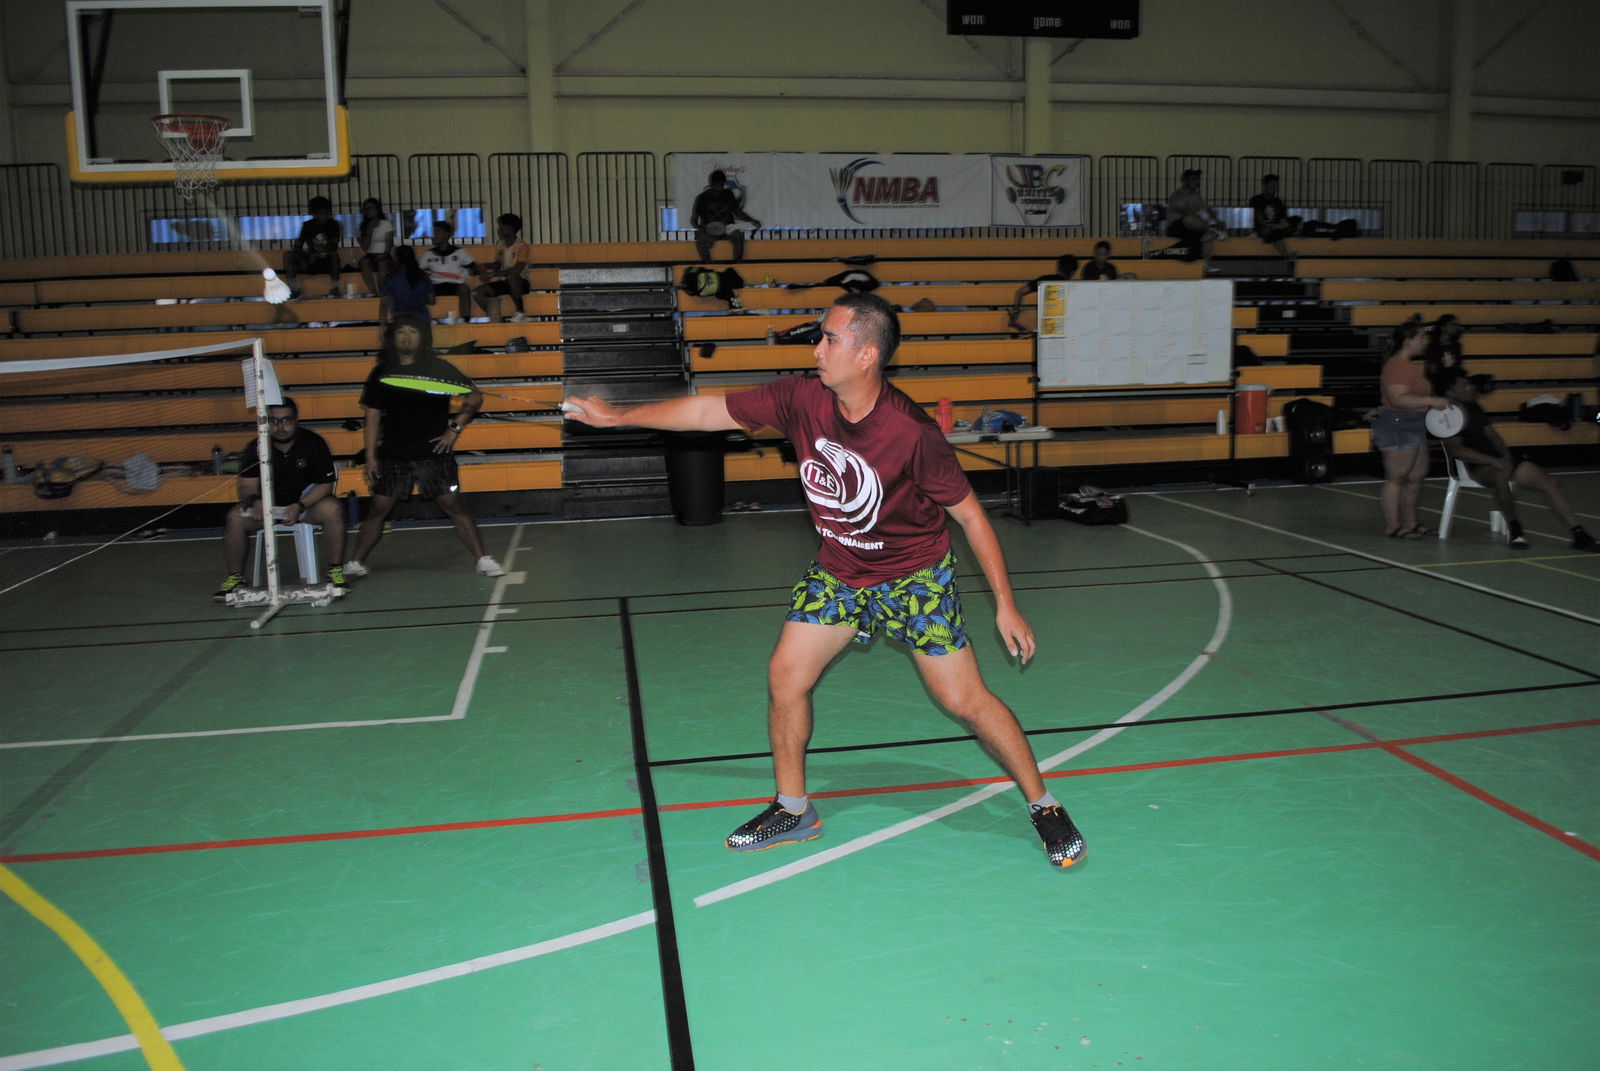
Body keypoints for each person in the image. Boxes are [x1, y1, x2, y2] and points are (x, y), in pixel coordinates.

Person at [565, 292, 1087, 870]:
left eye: (829, 339)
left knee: (963, 700)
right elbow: (710, 412)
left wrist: (1005, 605)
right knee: (785, 676)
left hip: (914, 578)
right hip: (840, 570)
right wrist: (618, 416)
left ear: (866, 355)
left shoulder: (911, 432)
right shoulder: (801, 397)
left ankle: (1043, 804)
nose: (817, 349)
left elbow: (971, 516)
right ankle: (793, 810)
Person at [342, 315, 505, 579]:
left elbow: (474, 397)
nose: (407, 337)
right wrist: (371, 457)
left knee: (453, 505)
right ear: (393, 338)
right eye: (401, 332)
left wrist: (453, 430)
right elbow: (372, 415)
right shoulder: (382, 372)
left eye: (413, 332)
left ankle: (482, 559)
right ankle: (355, 562)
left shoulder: (438, 367)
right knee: (378, 509)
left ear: (422, 338)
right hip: (394, 454)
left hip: (434, 453)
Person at [1436, 370, 1597, 551]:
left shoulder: (1474, 407)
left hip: (1498, 459)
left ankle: (1578, 533)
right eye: (1463, 385)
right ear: (1450, 392)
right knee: (1500, 476)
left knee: (1549, 482)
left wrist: (1506, 456)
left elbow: (1494, 436)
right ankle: (1515, 529)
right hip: (1475, 466)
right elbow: (1458, 451)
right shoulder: (1446, 416)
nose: (1470, 387)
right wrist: (1494, 461)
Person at [213, 397, 346, 600]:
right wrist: (255, 502)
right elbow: (245, 486)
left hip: (304, 506)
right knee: (234, 517)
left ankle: (335, 570)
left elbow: (325, 485)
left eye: (286, 420)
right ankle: (236, 577)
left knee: (333, 509)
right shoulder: (256, 447)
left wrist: (299, 506)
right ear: (267, 422)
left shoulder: (313, 443)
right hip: (267, 509)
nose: (280, 427)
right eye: (274, 421)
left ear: (296, 420)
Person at [1373, 319, 1452, 539]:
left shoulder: (1408, 365)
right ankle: (1393, 525)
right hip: (1398, 424)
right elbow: (1398, 398)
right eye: (1421, 337)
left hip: (1414, 424)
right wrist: (1431, 400)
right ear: (1408, 340)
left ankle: (1411, 523)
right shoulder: (1396, 365)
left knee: (1416, 477)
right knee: (1396, 477)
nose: (1425, 341)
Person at [690, 170, 762, 263]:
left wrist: (752, 220)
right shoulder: (702, 198)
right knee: (700, 236)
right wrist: (703, 228)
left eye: (721, 186)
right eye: (716, 185)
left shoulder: (728, 194)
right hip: (710, 230)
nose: (718, 188)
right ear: (710, 184)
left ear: (724, 184)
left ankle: (737, 263)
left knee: (738, 234)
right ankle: (708, 264)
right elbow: (693, 221)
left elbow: (737, 212)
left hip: (728, 228)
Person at [472, 213, 531, 323]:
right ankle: (495, 316)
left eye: (501, 226)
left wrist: (492, 274)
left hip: (520, 282)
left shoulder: (522, 246)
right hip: (504, 282)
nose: (499, 229)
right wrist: (486, 266)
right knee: (476, 293)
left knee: (512, 277)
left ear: (510, 228)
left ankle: (521, 312)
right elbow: (498, 264)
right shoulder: (500, 244)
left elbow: (517, 270)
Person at [1164, 168, 1227, 272]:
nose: (1197, 181)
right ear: (1185, 181)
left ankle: (1205, 265)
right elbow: (1187, 212)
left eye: (1198, 179)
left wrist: (1217, 220)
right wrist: (1207, 224)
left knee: (1207, 236)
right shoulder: (1178, 194)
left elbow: (1206, 209)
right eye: (1193, 179)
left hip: (1191, 227)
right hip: (1177, 226)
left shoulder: (1196, 196)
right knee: (1189, 219)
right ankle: (1213, 229)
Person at [418, 219, 477, 322]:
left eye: (437, 231)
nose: (434, 235)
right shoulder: (428, 254)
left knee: (464, 288)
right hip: (435, 285)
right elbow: (418, 272)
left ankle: (466, 321)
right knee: (422, 289)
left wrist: (466, 273)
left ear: (447, 234)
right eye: (434, 232)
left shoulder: (460, 252)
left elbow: (474, 268)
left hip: (455, 284)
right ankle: (425, 321)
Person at [283, 195, 342, 297]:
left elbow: (334, 246)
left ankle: (335, 287)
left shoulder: (333, 225)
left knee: (333, 255)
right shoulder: (308, 225)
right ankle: (293, 289)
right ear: (314, 213)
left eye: (325, 213)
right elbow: (298, 246)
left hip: (326, 260)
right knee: (288, 255)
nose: (323, 216)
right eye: (319, 213)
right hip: (310, 260)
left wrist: (320, 252)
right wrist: (307, 255)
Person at [1006, 254, 1079, 334]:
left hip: (1047, 327)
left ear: (1058, 267)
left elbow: (1019, 293)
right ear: (1073, 272)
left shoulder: (1045, 280)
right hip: (1068, 328)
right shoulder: (1076, 288)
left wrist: (1015, 314)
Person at [378, 245, 433, 326]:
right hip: (422, 318)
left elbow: (384, 304)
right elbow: (432, 301)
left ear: (397, 259)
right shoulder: (423, 276)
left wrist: (382, 326)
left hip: (401, 319)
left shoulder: (390, 278)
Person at [353, 197, 396, 297]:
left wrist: (384, 255)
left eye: (371, 208)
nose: (368, 211)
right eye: (366, 209)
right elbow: (365, 248)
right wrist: (370, 231)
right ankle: (373, 292)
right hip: (370, 255)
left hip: (384, 254)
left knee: (382, 266)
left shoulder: (386, 224)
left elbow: (389, 243)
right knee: (363, 262)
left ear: (377, 209)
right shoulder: (363, 226)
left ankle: (383, 293)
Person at [1249, 174, 1300, 258]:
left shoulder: (1277, 201)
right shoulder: (1256, 200)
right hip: (1264, 228)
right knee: (1276, 233)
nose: (1274, 189)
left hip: (1276, 226)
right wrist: (1267, 226)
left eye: (1275, 186)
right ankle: (1286, 255)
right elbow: (1258, 216)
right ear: (1264, 186)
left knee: (1295, 219)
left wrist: (1282, 225)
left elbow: (1283, 219)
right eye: (1272, 186)